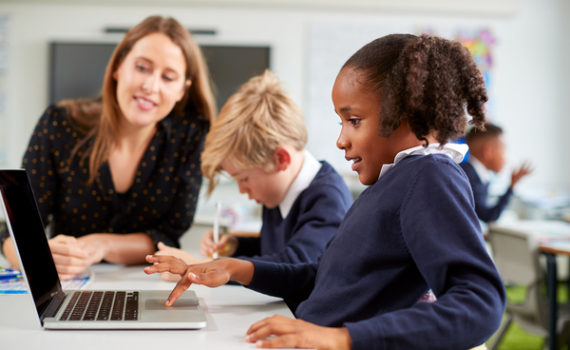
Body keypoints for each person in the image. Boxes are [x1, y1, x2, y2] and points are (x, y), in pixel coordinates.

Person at [144, 34, 506, 349]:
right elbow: (322, 279)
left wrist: (341, 339)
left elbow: (480, 303)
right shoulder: (392, 183)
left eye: (354, 121)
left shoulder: (430, 175)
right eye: (341, 122)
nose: (341, 139)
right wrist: (235, 268)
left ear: (408, 115)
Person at [0, 15, 216, 280]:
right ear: (118, 68)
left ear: (182, 90)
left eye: (168, 77)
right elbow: (14, 232)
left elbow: (166, 236)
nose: (150, 86)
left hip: (147, 285)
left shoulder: (190, 138)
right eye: (142, 68)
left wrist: (101, 244)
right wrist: (37, 255)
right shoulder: (59, 124)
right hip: (72, 284)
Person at [156, 70, 353, 270]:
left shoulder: (328, 200)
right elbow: (272, 254)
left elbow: (293, 266)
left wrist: (203, 267)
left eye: (244, 178)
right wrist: (235, 247)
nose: (242, 189)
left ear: (281, 159)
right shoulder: (278, 191)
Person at [461, 123, 533, 223]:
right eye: (503, 150)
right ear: (488, 151)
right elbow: (488, 216)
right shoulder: (467, 177)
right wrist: (512, 186)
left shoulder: (476, 174)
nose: (505, 158)